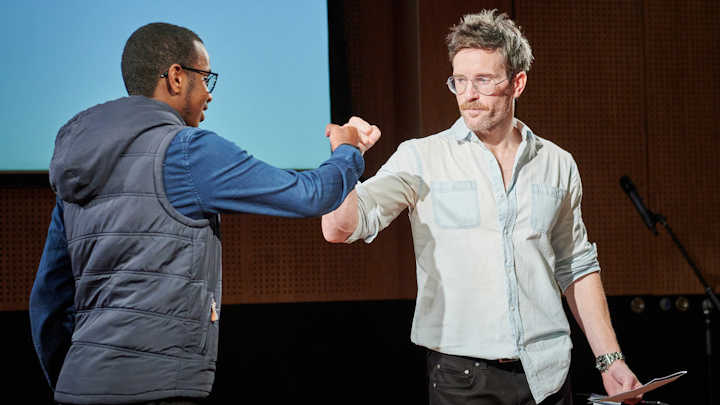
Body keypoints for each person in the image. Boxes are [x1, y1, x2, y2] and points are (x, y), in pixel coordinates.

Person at [29, 22, 380, 405]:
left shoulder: (76, 163)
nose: (208, 95)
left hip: (79, 388)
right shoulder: (187, 153)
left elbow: (48, 299)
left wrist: (77, 379)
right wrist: (347, 150)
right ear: (176, 77)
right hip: (157, 390)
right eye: (205, 78)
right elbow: (310, 195)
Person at [322, 10, 642, 405]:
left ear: (517, 83)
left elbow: (575, 265)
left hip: (548, 374)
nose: (468, 94)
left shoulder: (557, 163)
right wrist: (345, 158)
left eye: (484, 80)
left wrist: (610, 360)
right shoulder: (423, 158)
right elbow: (339, 229)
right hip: (462, 378)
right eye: (459, 80)